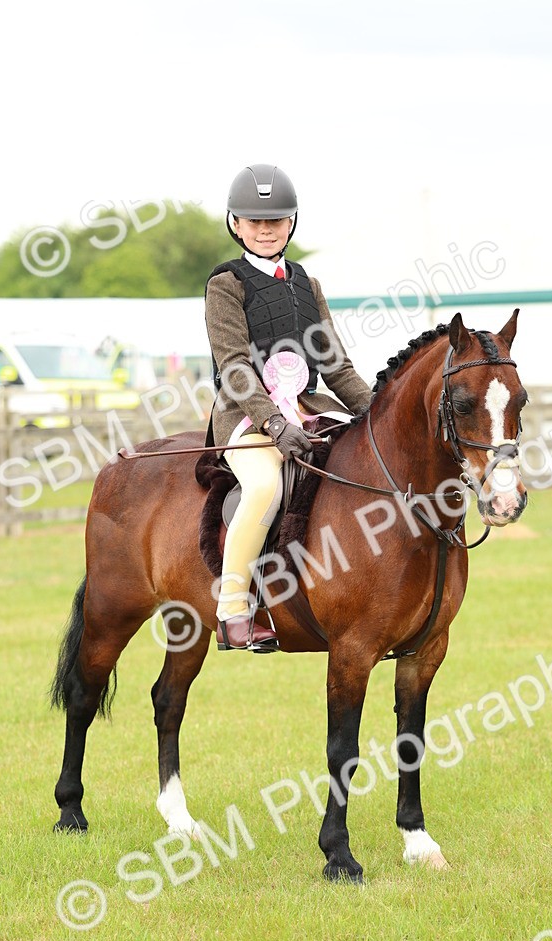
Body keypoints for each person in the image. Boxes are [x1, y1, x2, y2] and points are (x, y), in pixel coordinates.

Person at [204, 163, 372, 651]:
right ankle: (234, 609)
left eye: (275, 219)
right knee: (262, 487)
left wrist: (376, 410)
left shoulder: (307, 285)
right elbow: (234, 366)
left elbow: (336, 366)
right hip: (246, 416)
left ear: (291, 222)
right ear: (235, 223)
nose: (265, 228)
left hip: (310, 408)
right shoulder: (226, 285)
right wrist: (274, 421)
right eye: (254, 220)